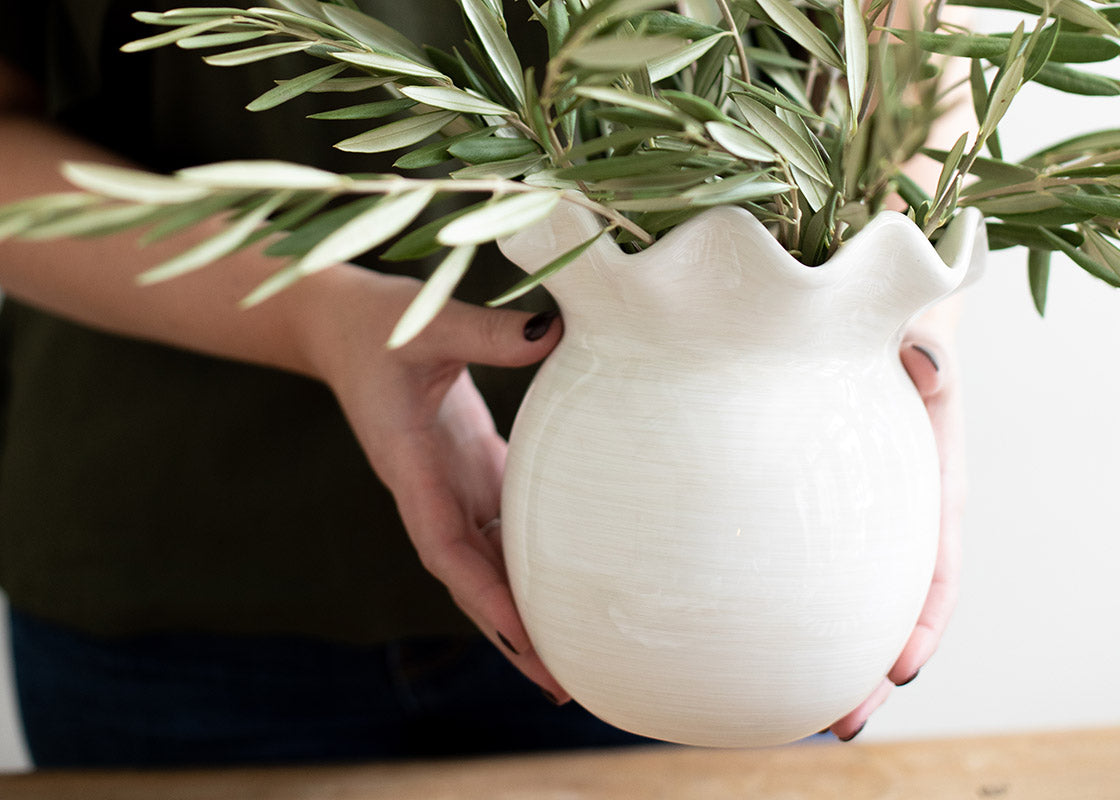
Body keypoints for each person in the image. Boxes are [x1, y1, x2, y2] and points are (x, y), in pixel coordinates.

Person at [0, 0, 964, 767]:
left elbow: (904, 63)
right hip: (179, 586)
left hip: (716, 574)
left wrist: (889, 346)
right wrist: (317, 315)